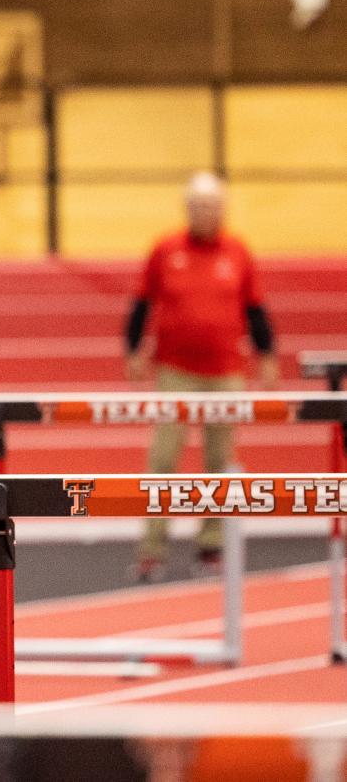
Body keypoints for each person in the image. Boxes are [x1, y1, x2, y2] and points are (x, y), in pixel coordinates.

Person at [125, 171, 279, 581]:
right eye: (196, 206)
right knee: (162, 460)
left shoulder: (238, 251)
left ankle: (212, 546)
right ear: (187, 209)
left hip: (227, 372)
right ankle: (152, 550)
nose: (204, 213)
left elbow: (256, 309)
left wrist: (267, 356)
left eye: (211, 206)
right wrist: (134, 350)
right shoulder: (165, 249)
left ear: (222, 210)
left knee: (220, 463)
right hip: (174, 371)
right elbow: (142, 302)